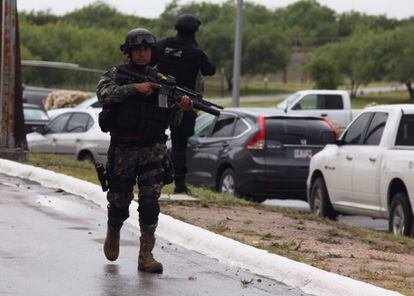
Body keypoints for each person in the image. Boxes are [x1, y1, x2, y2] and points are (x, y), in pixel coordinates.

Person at [96, 28, 192, 273]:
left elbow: (174, 121)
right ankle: (114, 229)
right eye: (137, 49)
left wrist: (181, 107)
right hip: (123, 149)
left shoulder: (161, 81)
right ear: (129, 52)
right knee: (119, 202)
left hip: (153, 149)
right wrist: (135, 89)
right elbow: (104, 94)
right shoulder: (116, 74)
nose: (142, 53)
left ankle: (146, 255)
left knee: (150, 203)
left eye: (146, 49)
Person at [154, 13, 216, 194]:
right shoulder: (194, 52)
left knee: (153, 137)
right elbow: (209, 69)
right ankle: (179, 184)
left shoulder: (164, 44)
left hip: (159, 98)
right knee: (179, 143)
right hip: (184, 101)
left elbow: (149, 62)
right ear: (195, 31)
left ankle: (156, 176)